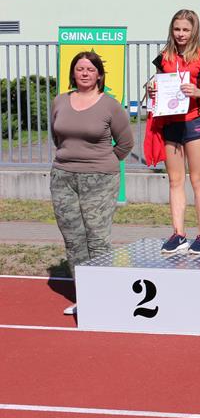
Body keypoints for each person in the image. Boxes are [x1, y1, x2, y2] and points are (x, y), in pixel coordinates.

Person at [50, 51, 135, 316]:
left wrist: (103, 163)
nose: (84, 73)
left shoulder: (110, 105)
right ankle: (85, 297)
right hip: (63, 177)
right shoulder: (60, 101)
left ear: (99, 74)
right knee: (74, 239)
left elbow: (126, 143)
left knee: (97, 238)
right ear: (72, 73)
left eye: (90, 69)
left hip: (100, 179)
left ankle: (104, 297)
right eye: (80, 69)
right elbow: (57, 137)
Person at [147, 9, 200, 255]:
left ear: (194, 31)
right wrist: (152, 91)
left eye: (186, 30)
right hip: (171, 121)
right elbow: (157, 85)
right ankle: (178, 234)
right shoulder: (164, 57)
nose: (181, 34)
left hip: (195, 121)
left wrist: (198, 92)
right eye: (177, 29)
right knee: (175, 180)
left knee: (197, 178)